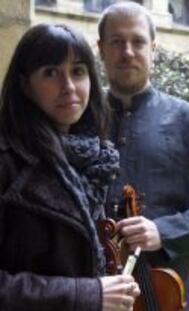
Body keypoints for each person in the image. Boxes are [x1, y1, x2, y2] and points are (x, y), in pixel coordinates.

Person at [98, 2, 189, 310]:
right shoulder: (81, 120)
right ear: (101, 49)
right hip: (94, 294)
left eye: (138, 41)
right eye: (117, 42)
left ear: (153, 49)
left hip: (166, 296)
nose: (128, 51)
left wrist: (164, 231)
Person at [0, 23, 140, 310]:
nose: (69, 87)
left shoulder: (95, 159)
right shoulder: (7, 161)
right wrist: (86, 294)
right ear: (25, 85)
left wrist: (109, 285)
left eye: (78, 71)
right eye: (51, 73)